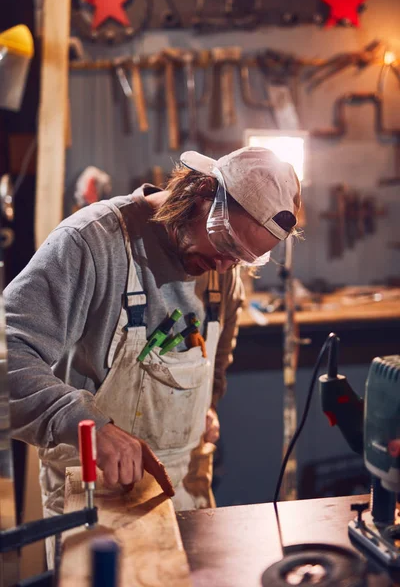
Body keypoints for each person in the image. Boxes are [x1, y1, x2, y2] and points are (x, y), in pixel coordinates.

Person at [5, 146, 301, 555]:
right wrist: (85, 425)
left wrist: (204, 407)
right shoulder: (92, 245)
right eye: (225, 242)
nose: (223, 266)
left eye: (242, 258)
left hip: (185, 498)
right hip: (97, 501)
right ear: (199, 193)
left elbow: (214, 364)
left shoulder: (222, 272)